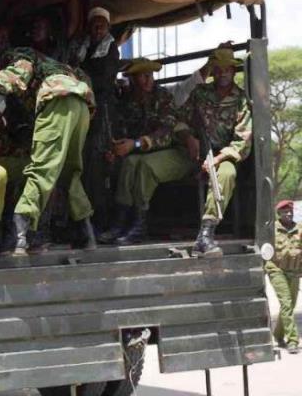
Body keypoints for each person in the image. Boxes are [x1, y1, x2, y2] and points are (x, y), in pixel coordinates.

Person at [0, 47, 96, 255]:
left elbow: (21, 68)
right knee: (69, 172)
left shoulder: (21, 54)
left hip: (58, 98)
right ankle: (85, 234)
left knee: (41, 168)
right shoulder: (55, 64)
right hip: (82, 104)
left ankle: (18, 237)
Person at [102, 58, 190, 245]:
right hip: (145, 152)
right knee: (129, 163)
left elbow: (166, 133)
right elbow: (124, 131)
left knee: (144, 165)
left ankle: (140, 226)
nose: (148, 80)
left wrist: (134, 144)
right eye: (143, 76)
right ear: (133, 79)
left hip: (175, 151)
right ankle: (120, 222)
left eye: (150, 75)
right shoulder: (128, 102)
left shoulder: (163, 97)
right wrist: (116, 149)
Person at [176, 48, 252, 257]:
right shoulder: (199, 93)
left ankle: (206, 234)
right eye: (217, 69)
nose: (221, 73)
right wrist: (189, 138)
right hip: (194, 151)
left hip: (223, 155)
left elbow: (242, 141)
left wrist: (216, 159)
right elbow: (179, 120)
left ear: (233, 71)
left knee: (227, 175)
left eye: (226, 69)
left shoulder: (241, 100)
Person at [65, 6, 120, 233]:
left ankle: (101, 223)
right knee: (84, 166)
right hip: (85, 111)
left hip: (103, 114)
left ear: (107, 27)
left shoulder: (111, 49)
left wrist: (80, 79)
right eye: (94, 24)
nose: (98, 28)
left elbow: (104, 80)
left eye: (102, 24)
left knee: (100, 168)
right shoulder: (83, 47)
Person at [265, 200, 302, 354]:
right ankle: (292, 340)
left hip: (293, 271)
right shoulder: (271, 230)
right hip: (276, 269)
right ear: (278, 213)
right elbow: (264, 249)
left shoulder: (299, 229)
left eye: (290, 211)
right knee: (286, 302)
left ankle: (278, 335)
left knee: (290, 305)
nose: (288, 214)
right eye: (285, 211)